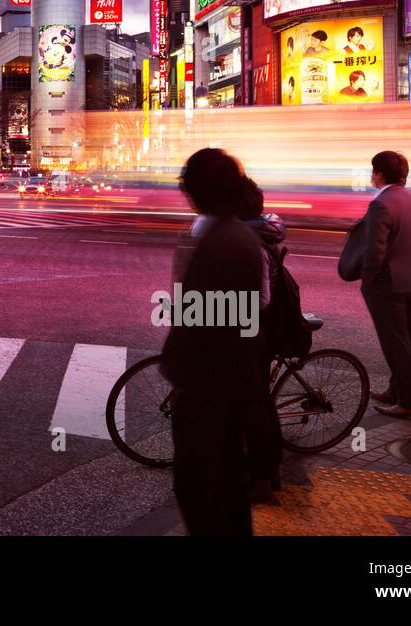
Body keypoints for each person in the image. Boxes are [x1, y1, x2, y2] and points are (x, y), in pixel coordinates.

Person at [162, 148, 265, 535]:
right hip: (230, 377)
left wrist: (179, 366)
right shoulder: (234, 234)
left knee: (197, 483)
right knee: (225, 478)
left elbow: (205, 320)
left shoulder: (222, 241)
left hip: (210, 382)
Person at [357, 150, 411, 421]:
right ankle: (395, 390)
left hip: (388, 285)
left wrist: (368, 281)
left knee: (397, 345)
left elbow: (375, 249)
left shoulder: (381, 204)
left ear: (378, 174)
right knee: (402, 340)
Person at [238, 176, 285, 503]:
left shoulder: (250, 241)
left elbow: (261, 298)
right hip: (252, 328)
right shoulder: (252, 234)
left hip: (250, 330)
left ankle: (263, 476)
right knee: (256, 404)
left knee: (254, 406)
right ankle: (264, 472)